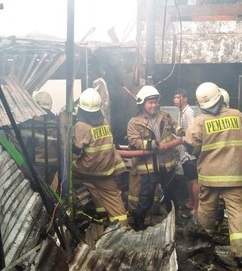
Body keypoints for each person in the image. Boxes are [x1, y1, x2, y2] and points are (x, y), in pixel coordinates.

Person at [184, 82, 242, 268]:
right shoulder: (237, 115)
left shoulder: (200, 120)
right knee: (237, 215)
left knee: (207, 214)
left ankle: (200, 247)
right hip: (235, 177)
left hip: (210, 178)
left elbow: (190, 145)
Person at [127, 85, 184, 230]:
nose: (153, 105)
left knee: (171, 194)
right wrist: (150, 144)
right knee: (145, 198)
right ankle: (138, 225)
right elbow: (134, 141)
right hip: (149, 168)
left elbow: (174, 125)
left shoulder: (164, 115)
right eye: (150, 102)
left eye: (155, 102)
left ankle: (175, 221)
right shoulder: (134, 122)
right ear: (142, 104)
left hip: (167, 164)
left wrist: (180, 131)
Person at [72, 88, 128, 225]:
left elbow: (76, 153)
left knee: (59, 175)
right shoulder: (105, 123)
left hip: (84, 171)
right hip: (106, 172)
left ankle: (56, 209)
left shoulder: (81, 126)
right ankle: (122, 227)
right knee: (113, 197)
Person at [173, 88, 199, 216]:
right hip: (183, 152)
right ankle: (190, 201)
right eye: (174, 98)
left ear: (185, 99)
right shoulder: (180, 112)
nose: (175, 100)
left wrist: (182, 140)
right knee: (189, 179)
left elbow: (193, 131)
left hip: (189, 152)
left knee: (194, 180)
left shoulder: (189, 112)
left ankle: (196, 207)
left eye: (178, 97)